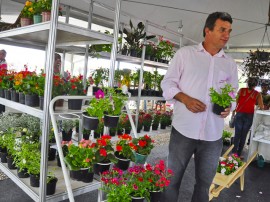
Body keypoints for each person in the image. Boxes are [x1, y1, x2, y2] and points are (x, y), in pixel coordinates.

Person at [161, 12, 238, 202]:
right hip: (184, 130)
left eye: (229, 31)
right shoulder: (185, 55)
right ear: (208, 30)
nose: (226, 35)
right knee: (171, 180)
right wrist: (185, 99)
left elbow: (233, 94)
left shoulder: (230, 64)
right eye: (222, 29)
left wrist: (229, 106)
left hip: (213, 135)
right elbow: (167, 84)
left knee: (204, 185)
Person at [232, 78, 264, 157]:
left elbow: (235, 102)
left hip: (239, 114)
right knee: (244, 135)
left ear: (247, 83)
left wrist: (233, 112)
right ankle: (238, 155)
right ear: (256, 85)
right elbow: (262, 106)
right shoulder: (257, 94)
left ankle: (233, 154)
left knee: (237, 135)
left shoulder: (241, 90)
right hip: (249, 116)